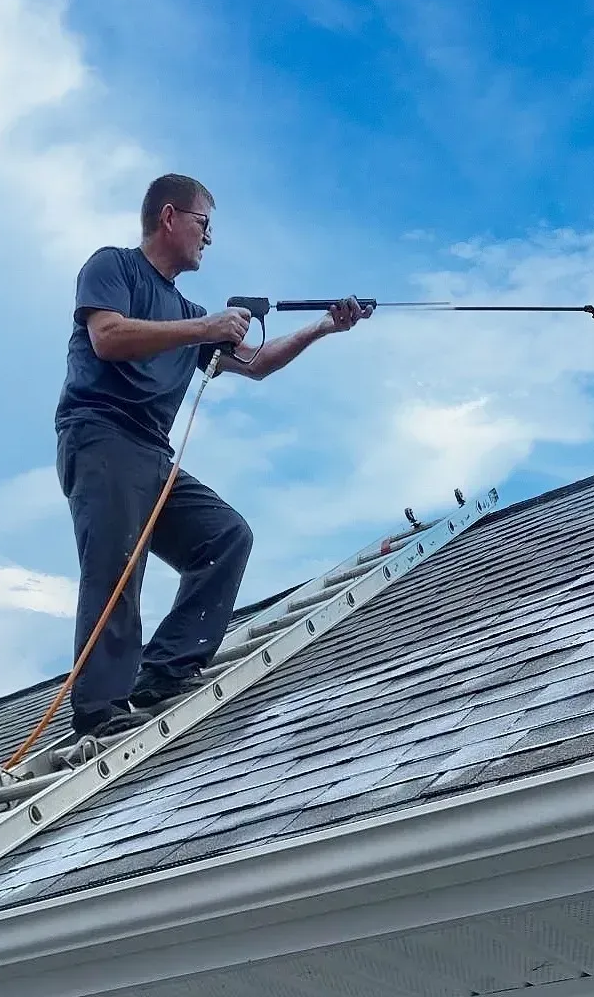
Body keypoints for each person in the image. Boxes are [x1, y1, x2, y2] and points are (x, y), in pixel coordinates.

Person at [54, 173, 373, 739]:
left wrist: (325, 326)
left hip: (153, 452)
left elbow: (257, 362)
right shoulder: (113, 267)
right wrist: (207, 325)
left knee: (225, 537)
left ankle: (162, 675)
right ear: (170, 216)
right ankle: (99, 712)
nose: (210, 237)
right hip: (101, 435)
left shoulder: (188, 311)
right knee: (117, 564)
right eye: (205, 223)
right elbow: (108, 336)